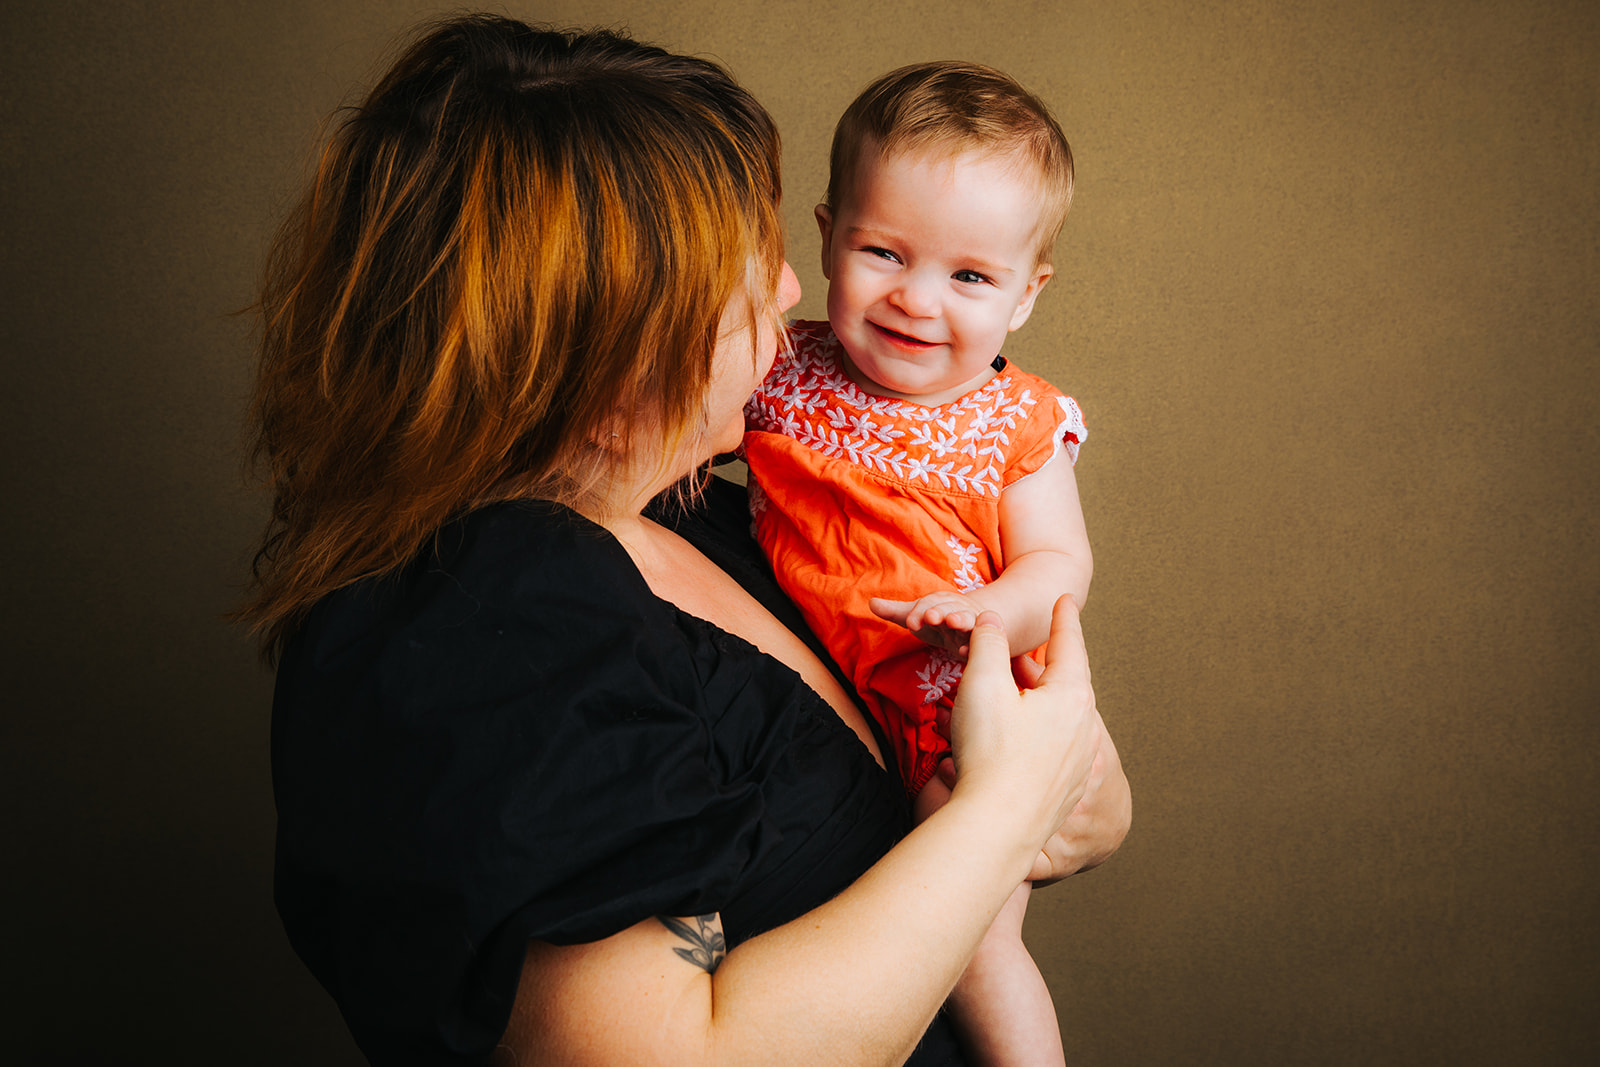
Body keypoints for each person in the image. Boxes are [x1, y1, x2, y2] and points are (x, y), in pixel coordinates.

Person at [240, 15, 1128, 1066]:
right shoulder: (489, 619)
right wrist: (1010, 805)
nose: (790, 286)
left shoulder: (709, 512)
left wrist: (1064, 787)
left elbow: (988, 775)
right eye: (747, 259)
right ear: (609, 336)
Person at [742, 62, 1092, 1064]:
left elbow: (1059, 565)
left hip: (958, 704)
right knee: (833, 933)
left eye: (969, 276)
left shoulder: (1012, 421)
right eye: (883, 251)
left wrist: (988, 610)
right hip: (828, 706)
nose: (915, 299)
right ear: (824, 234)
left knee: (975, 948)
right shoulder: (782, 368)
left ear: (1026, 296)